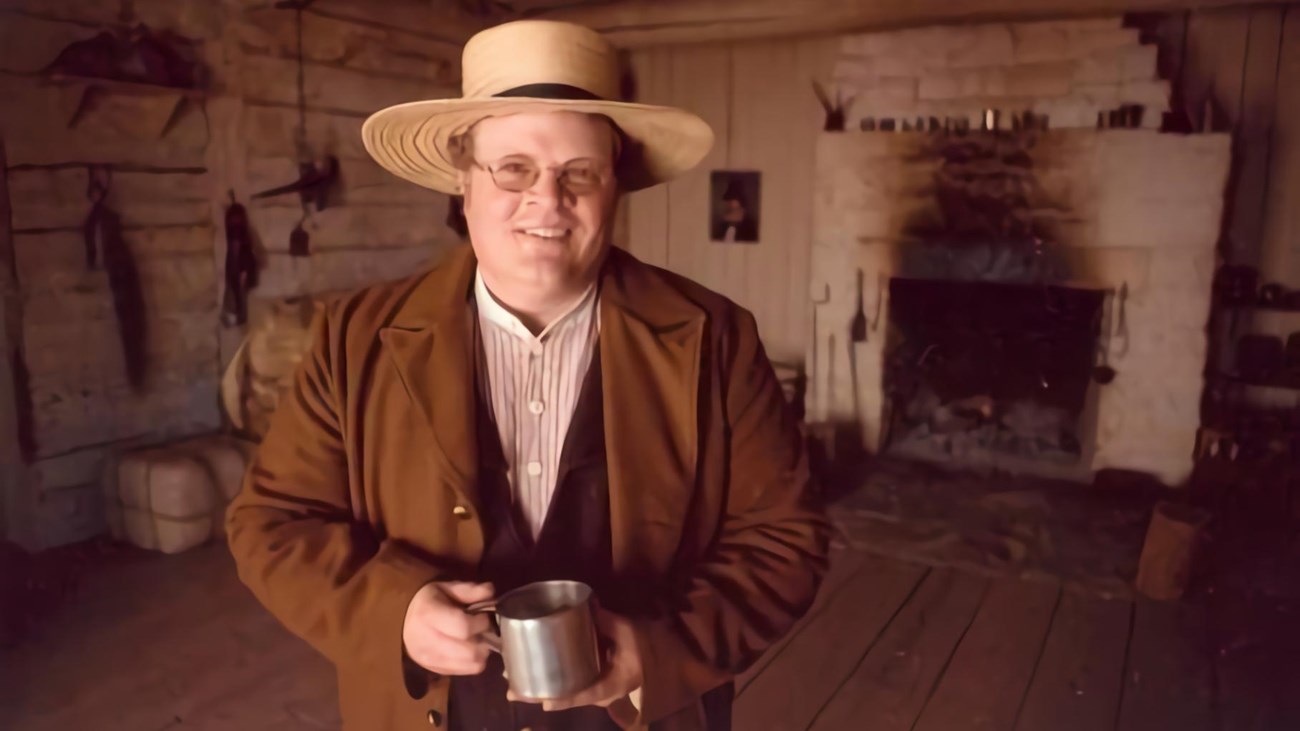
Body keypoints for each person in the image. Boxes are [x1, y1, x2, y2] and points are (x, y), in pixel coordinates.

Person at [225, 19, 828, 731]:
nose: (548, 199)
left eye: (580, 172)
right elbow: (272, 524)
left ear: (614, 185)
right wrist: (395, 611)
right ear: (462, 181)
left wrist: (659, 650)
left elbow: (784, 541)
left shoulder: (718, 337)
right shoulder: (352, 339)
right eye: (513, 168)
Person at [711, 177, 759, 243]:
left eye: (733, 199)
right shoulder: (723, 223)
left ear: (740, 201)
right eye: (728, 199)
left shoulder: (749, 224)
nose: (729, 203)